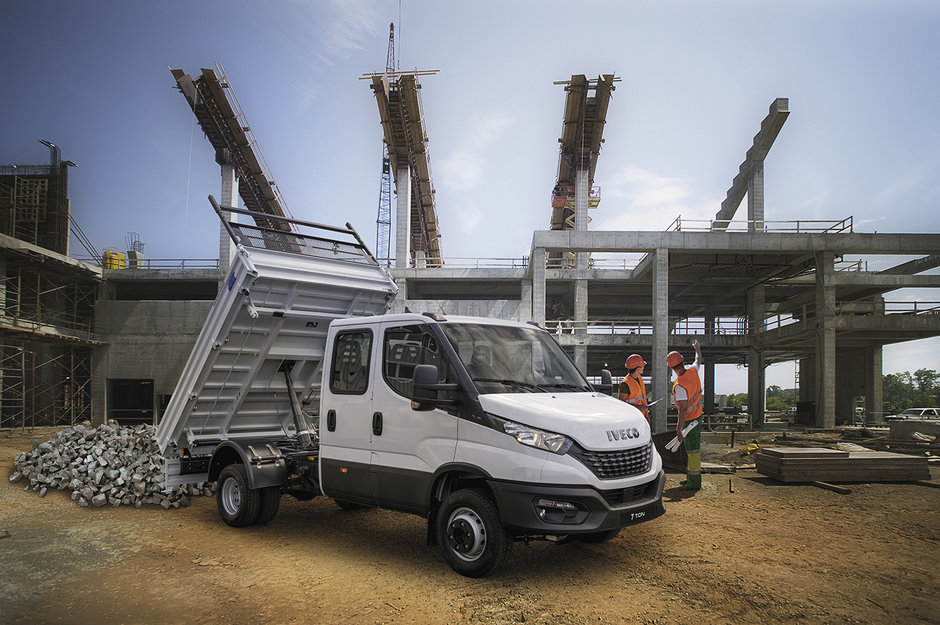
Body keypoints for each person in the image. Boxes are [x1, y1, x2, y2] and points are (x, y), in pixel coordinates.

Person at [669, 340, 703, 490]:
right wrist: (697, 348)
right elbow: (698, 359)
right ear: (682, 361)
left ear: (671, 367)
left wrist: (678, 429)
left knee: (693, 451)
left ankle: (694, 483)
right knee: (690, 450)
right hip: (698, 416)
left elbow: (683, 409)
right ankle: (690, 477)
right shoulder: (693, 371)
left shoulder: (680, 385)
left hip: (690, 421)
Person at [618, 354, 649, 421]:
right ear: (638, 369)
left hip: (642, 417)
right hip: (632, 419)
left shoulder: (639, 378)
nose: (644, 367)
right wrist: (639, 408)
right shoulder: (625, 383)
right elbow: (621, 405)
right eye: (642, 366)